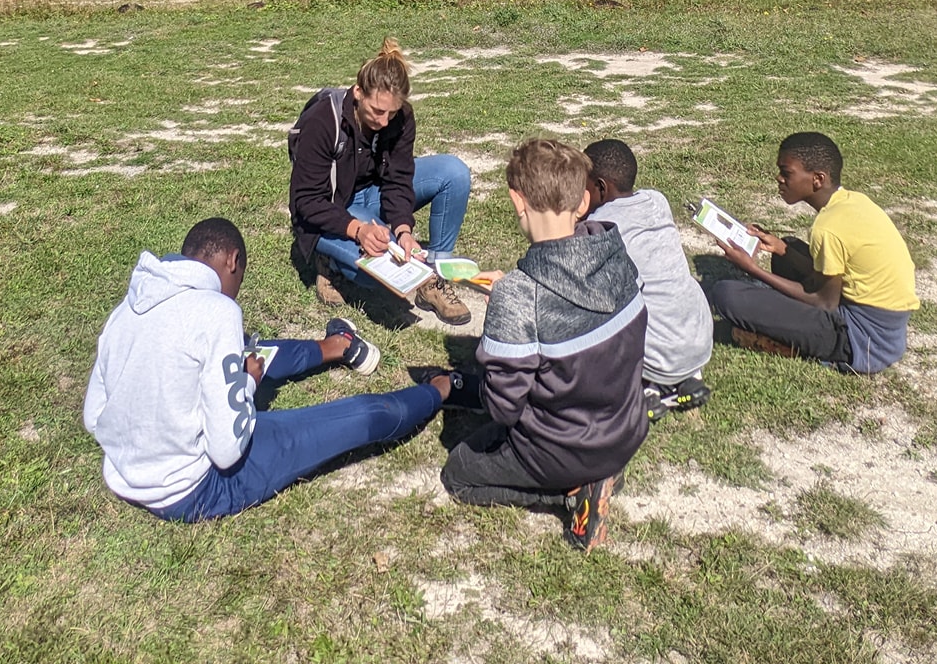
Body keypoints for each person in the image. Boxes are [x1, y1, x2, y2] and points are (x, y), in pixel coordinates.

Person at [83, 216, 456, 522]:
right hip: (193, 489)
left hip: (122, 473)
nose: (237, 290)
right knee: (350, 419)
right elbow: (227, 450)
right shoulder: (216, 311)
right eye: (240, 278)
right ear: (232, 261)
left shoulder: (129, 307)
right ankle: (441, 388)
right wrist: (246, 384)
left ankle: (336, 346)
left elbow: (93, 417)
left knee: (250, 352)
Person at [442, 138, 647, 553]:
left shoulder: (519, 295)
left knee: (458, 472)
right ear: (584, 201)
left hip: (564, 449)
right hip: (626, 429)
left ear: (518, 201)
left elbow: (503, 408)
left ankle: (570, 493)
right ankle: (602, 473)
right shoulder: (616, 253)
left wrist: (501, 325)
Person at [288, 38, 472, 324]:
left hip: (372, 195)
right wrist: (357, 229)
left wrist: (404, 229)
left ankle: (433, 276)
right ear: (358, 92)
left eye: (393, 113)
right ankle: (329, 262)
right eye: (377, 111)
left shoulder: (400, 118)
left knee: (454, 173)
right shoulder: (324, 120)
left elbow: (398, 179)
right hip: (332, 206)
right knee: (380, 275)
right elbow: (306, 202)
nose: (385, 121)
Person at [704, 131, 918, 375]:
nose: (779, 178)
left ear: (817, 179)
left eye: (787, 173)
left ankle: (788, 342)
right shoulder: (853, 201)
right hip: (887, 330)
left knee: (727, 294)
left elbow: (824, 302)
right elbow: (837, 274)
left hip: (862, 341)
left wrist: (752, 269)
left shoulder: (827, 228)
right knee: (790, 247)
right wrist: (782, 249)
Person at [584, 138, 714, 420]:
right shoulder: (657, 200)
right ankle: (690, 378)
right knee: (667, 288)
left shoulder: (600, 225)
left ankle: (644, 391)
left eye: (584, 189)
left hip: (656, 352)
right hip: (699, 338)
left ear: (601, 188)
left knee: (607, 309)